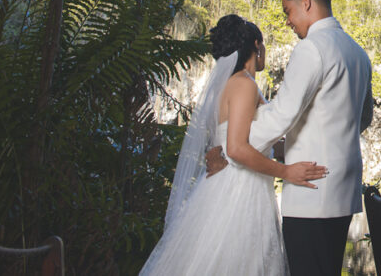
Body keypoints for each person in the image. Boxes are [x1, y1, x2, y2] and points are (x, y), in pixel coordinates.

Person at [208, 0, 373, 276]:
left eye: (288, 11)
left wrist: (233, 147)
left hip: (310, 189)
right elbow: (363, 119)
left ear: (306, 3)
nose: (288, 21)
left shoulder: (312, 48)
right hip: (343, 191)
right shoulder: (358, 53)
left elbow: (282, 115)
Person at [140, 15, 328, 276]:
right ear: (256, 45)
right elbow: (238, 149)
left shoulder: (233, 84)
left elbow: (231, 140)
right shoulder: (243, 84)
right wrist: (286, 172)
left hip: (235, 183)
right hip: (238, 190)